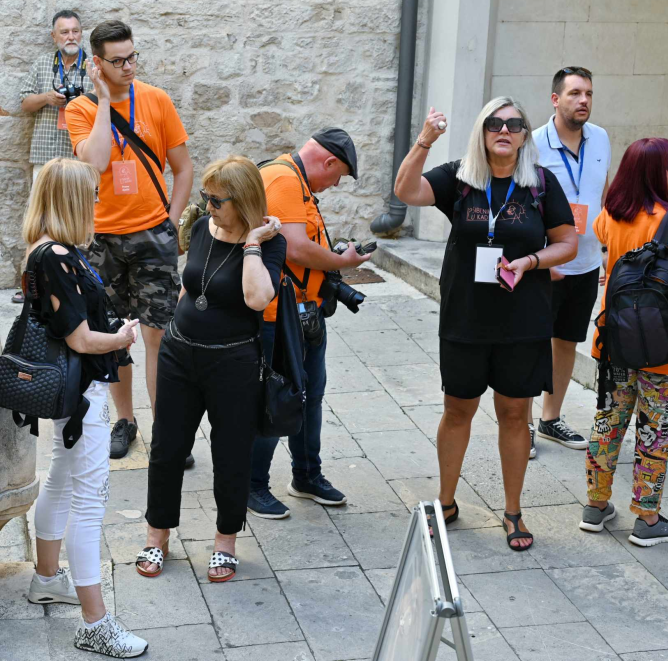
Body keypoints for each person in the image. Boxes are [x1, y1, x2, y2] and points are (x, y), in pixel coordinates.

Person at [395, 98, 578, 551]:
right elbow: (405, 192)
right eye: (494, 123)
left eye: (514, 124)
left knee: (515, 414)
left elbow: (569, 243)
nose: (504, 130)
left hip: (523, 320)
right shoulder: (460, 177)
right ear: (482, 130)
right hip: (466, 318)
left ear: (524, 135)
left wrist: (531, 261)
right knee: (458, 410)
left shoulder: (540, 183)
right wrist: (425, 141)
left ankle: (513, 511)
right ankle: (446, 502)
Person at [136, 157, 285, 580]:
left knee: (231, 452)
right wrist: (173, 327)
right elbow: (191, 284)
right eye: (205, 195)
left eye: (216, 199)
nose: (207, 204)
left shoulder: (271, 243)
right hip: (180, 355)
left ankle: (225, 541)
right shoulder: (202, 228)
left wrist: (253, 244)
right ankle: (157, 535)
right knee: (167, 448)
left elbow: (258, 299)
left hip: (233, 361)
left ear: (242, 201)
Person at [23, 158, 147, 657]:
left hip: (69, 393)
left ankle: (47, 578)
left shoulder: (49, 249)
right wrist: (120, 337)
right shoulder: (54, 255)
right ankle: (95, 623)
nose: (97, 203)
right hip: (84, 394)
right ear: (70, 200)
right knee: (90, 500)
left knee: (60, 478)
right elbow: (78, 338)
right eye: (91, 195)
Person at [581, 138, 668, 548]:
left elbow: (609, 264)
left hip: (615, 344)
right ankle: (647, 518)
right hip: (663, 350)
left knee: (608, 422)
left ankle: (595, 506)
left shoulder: (610, 214)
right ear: (659, 172)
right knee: (655, 431)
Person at [65, 20, 194, 461]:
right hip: (101, 238)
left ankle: (165, 429)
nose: (128, 66)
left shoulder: (156, 99)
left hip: (152, 235)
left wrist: (170, 223)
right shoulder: (80, 109)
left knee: (159, 337)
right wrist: (103, 99)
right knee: (114, 334)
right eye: (117, 60)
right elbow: (97, 160)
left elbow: (184, 167)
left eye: (132, 56)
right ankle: (126, 422)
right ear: (97, 63)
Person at [247, 129, 370, 519]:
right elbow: (297, 247)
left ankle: (306, 476)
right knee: (275, 400)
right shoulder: (284, 178)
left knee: (309, 397)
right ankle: (251, 486)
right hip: (275, 318)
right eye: (337, 176)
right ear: (330, 162)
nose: (334, 185)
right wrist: (343, 262)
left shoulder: (297, 181)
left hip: (304, 314)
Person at [532, 66, 611, 457]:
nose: (584, 101)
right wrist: (544, 259)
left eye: (589, 94)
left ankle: (550, 417)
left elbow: (603, 194)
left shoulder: (601, 139)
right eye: (575, 93)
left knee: (566, 341)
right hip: (546, 262)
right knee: (530, 340)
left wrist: (608, 251)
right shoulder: (532, 144)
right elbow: (523, 206)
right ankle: (523, 423)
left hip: (587, 262)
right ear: (555, 99)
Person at [20, 11, 94, 184]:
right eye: (64, 32)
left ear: (81, 33)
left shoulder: (93, 66)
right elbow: (25, 104)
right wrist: (47, 98)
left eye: (75, 31)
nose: (71, 37)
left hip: (80, 159)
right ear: (54, 36)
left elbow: (107, 107)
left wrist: (82, 101)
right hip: (45, 156)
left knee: (78, 210)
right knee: (42, 211)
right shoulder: (42, 63)